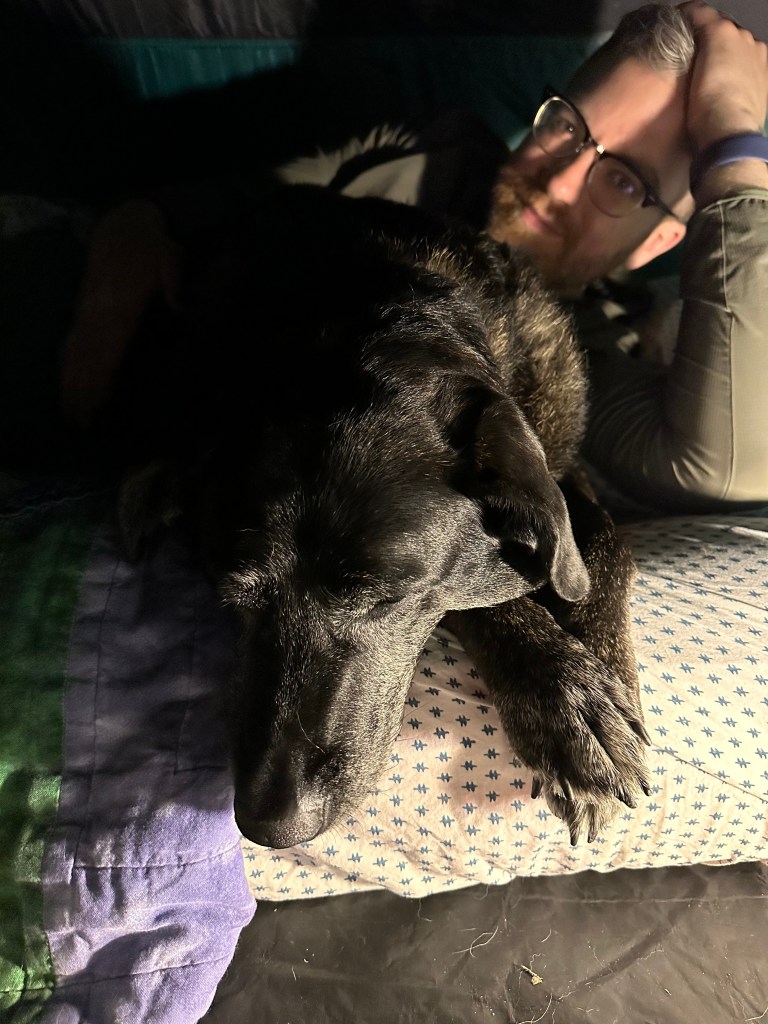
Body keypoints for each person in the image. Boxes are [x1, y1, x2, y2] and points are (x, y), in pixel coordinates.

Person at [59, 0, 768, 515]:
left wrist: (734, 138)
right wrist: (132, 229)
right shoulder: (427, 158)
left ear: (658, 241)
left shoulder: (600, 356)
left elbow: (724, 463)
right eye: (567, 127)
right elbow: (215, 203)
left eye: (622, 181)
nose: (555, 184)